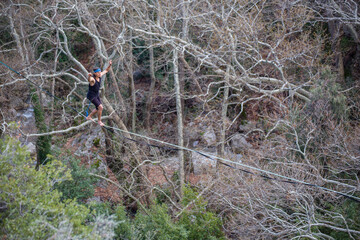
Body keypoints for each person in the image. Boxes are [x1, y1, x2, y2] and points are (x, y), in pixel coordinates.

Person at [86, 60, 112, 126]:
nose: (100, 73)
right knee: (101, 107)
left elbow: (106, 70)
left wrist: (110, 65)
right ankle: (99, 121)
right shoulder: (93, 80)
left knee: (98, 108)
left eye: (100, 72)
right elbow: (89, 79)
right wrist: (89, 76)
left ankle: (89, 116)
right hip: (91, 96)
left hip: (96, 95)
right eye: (98, 72)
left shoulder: (99, 76)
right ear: (95, 73)